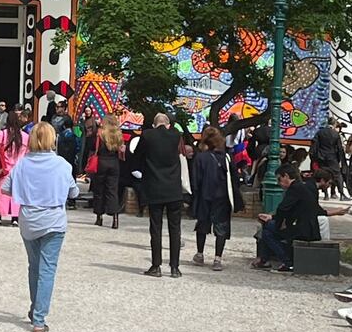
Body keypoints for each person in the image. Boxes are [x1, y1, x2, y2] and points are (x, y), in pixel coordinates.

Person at [1, 122, 79, 332]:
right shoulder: (62, 165)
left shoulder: (23, 165)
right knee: (47, 269)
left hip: (29, 219)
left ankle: (35, 307)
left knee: (34, 266)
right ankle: (39, 317)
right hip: (53, 220)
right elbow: (73, 192)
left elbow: (6, 188)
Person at [253, 163, 351, 271]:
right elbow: (293, 210)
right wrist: (273, 218)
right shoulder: (302, 187)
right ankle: (272, 261)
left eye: (279, 179)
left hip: (304, 229)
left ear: (286, 176)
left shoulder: (295, 188)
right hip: (306, 228)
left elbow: (283, 208)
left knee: (267, 228)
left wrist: (278, 223)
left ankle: (283, 262)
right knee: (267, 230)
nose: (278, 183)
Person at [135, 112, 184, 278]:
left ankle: (156, 266)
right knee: (175, 229)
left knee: (156, 228)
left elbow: (137, 156)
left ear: (154, 125)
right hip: (174, 188)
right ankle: (175, 267)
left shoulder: (148, 135)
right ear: (168, 125)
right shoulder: (175, 135)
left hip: (155, 186)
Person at [190, 126, 243, 271]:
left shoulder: (200, 157)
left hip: (204, 195)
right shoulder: (226, 157)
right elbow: (234, 178)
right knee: (221, 227)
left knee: (202, 225)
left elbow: (195, 181)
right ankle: (217, 258)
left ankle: (200, 254)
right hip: (222, 196)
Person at [0, 110, 28, 225]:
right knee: (16, 193)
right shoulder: (25, 136)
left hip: (4, 167)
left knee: (1, 193)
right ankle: (15, 217)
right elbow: (27, 152)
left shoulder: (1, 134)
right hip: (18, 168)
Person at [89, 114, 124, 228]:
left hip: (102, 162)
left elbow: (93, 147)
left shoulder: (100, 133)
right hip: (114, 162)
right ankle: (115, 218)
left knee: (99, 190)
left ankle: (99, 217)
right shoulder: (118, 134)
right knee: (112, 190)